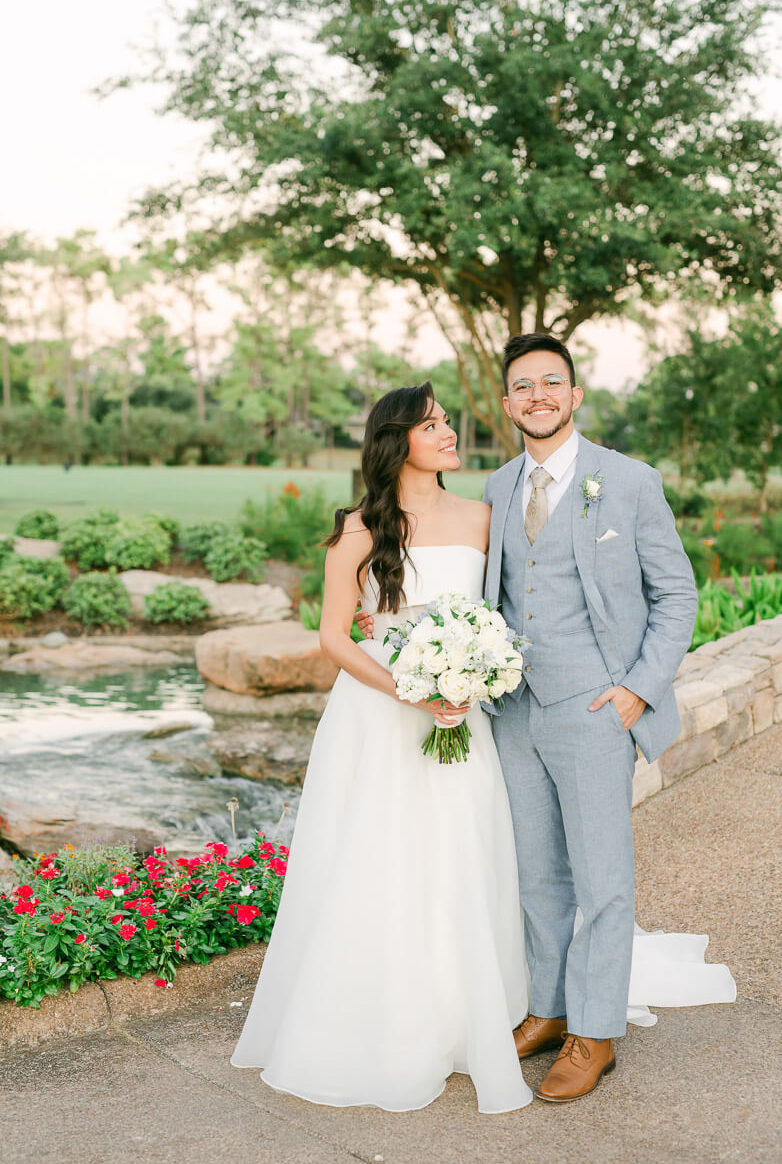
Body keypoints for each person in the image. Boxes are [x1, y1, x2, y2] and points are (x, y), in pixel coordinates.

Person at [231, 381, 535, 1113]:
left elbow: (504, 610)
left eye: (447, 423)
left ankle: (467, 1014)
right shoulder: (359, 530)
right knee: (379, 857)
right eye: (434, 425)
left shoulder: (484, 518)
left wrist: (472, 673)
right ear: (399, 442)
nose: (450, 433)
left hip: (461, 710)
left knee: (462, 851)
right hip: (379, 716)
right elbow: (335, 636)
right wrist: (412, 690)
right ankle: (380, 1017)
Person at [483, 332, 732, 1102]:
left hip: (594, 706)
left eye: (551, 382)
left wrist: (637, 689)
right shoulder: (494, 488)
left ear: (575, 393)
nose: (538, 397)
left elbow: (677, 595)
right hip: (513, 710)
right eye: (523, 386)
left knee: (602, 877)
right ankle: (551, 1009)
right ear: (506, 403)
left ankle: (596, 1033)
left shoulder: (626, 481)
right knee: (536, 875)